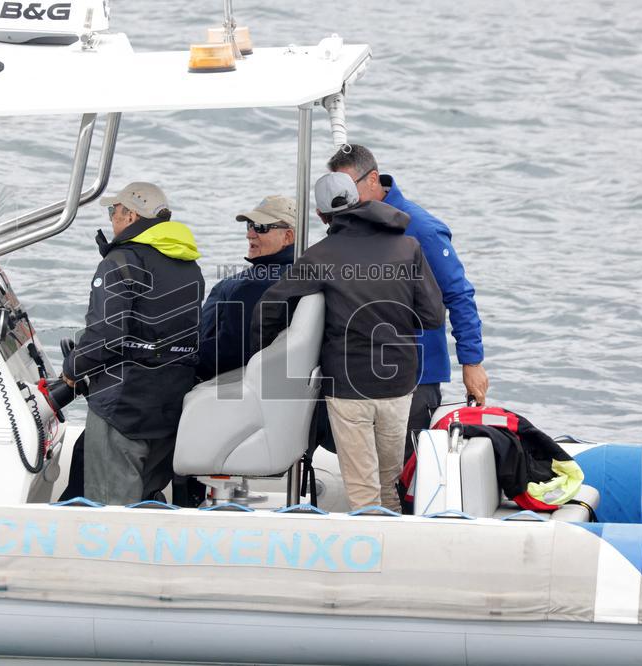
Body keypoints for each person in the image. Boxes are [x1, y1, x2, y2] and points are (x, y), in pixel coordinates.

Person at [252, 172, 444, 512]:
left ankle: (370, 551)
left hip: (348, 386)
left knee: (362, 487)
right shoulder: (408, 246)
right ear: (360, 200)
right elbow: (432, 316)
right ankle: (393, 547)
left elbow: (268, 309)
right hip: (399, 383)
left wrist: (266, 351)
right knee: (391, 481)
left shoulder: (320, 256)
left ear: (321, 216)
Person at [327, 144, 487, 439]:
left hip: (416, 377)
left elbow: (459, 294)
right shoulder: (345, 226)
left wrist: (471, 362)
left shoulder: (421, 228)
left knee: (401, 471)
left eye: (350, 188)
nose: (345, 199)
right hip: (360, 374)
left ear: (373, 179)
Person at [61, 182, 204, 506]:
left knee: (111, 507)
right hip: (168, 405)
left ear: (131, 215)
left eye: (114, 210)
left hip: (122, 406)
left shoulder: (121, 261)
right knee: (146, 502)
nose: (111, 218)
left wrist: (72, 369)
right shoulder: (189, 267)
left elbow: (106, 336)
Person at [197, 195, 296, 379]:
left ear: (288, 236)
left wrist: (178, 356)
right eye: (249, 225)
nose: (250, 234)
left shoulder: (255, 286)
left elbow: (229, 353)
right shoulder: (304, 273)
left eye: (261, 227)